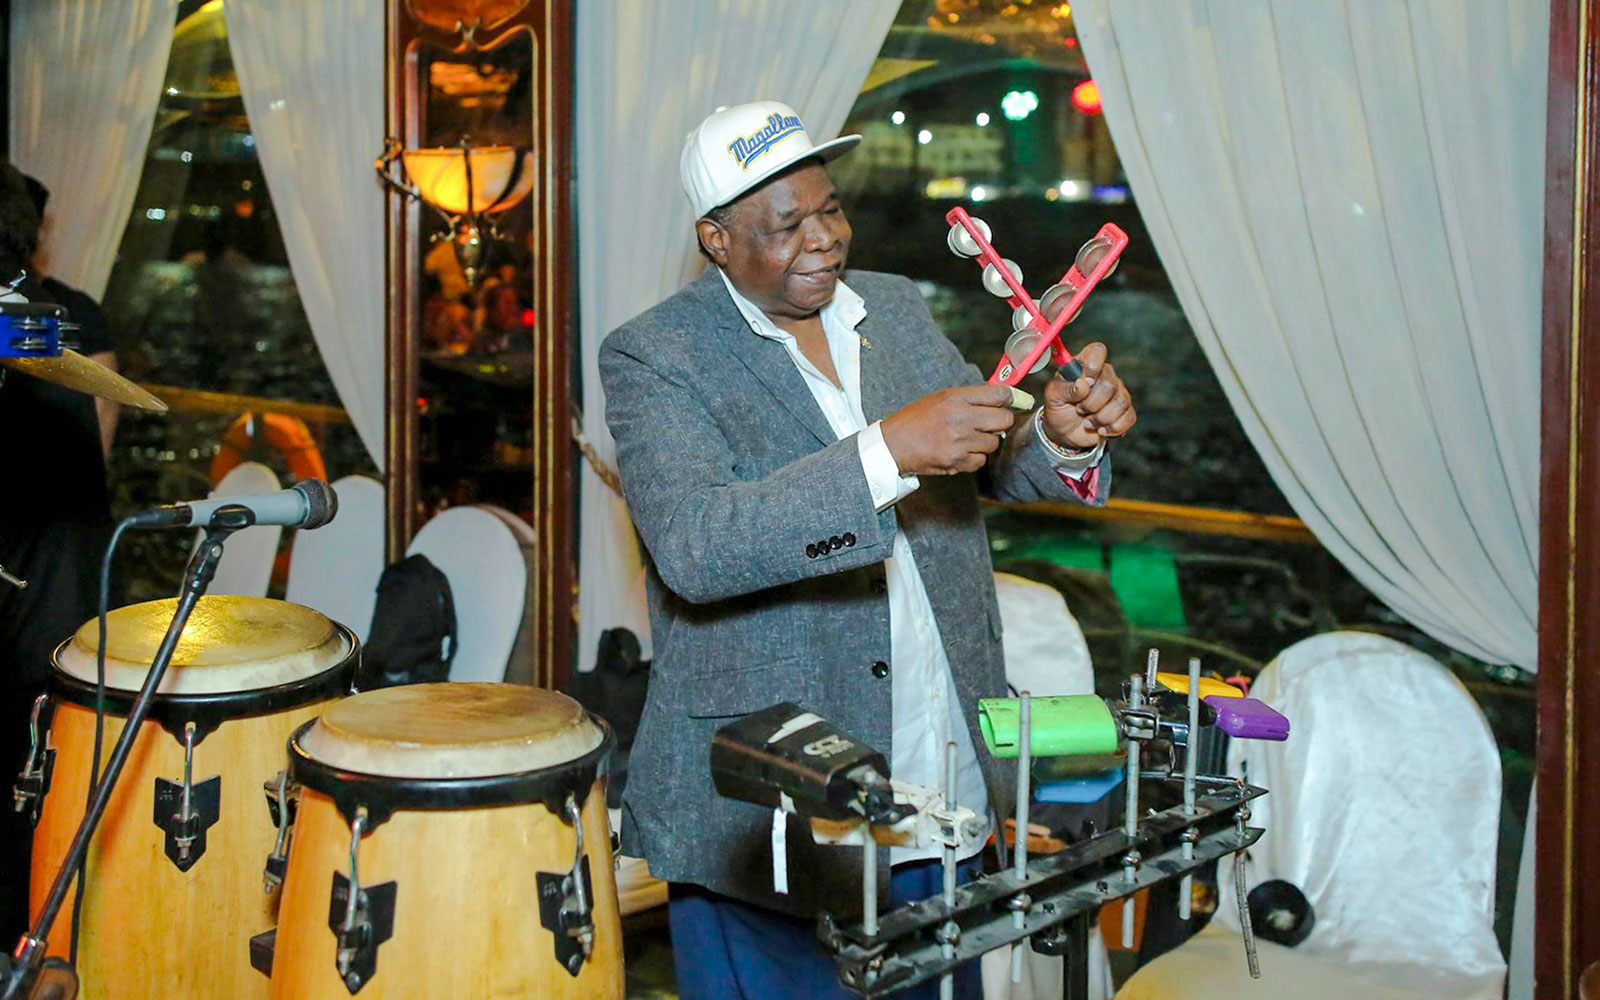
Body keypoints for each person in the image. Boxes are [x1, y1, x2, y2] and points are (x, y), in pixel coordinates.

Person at [599, 102, 1136, 1000]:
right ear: (716, 238)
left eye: (831, 210)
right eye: (786, 224)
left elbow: (981, 456)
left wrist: (1063, 439)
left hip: (941, 777)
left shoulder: (891, 305)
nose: (823, 240)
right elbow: (696, 545)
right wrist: (888, 450)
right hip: (775, 803)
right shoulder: (655, 355)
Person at [0, 163, 120, 944]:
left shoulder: (27, 328)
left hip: (27, 594)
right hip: (61, 595)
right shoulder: (56, 320)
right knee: (39, 790)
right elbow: (95, 457)